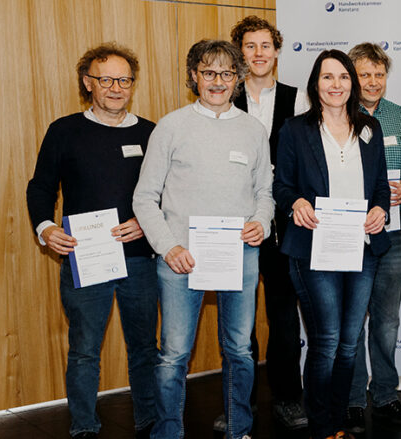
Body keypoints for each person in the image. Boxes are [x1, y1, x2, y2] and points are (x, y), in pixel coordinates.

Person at [132, 39, 273, 439]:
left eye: (227, 73)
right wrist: (168, 246)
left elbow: (265, 191)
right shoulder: (171, 126)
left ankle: (238, 429)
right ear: (194, 75)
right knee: (174, 354)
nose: (217, 81)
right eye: (208, 72)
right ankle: (168, 432)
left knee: (240, 351)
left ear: (239, 79)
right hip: (180, 257)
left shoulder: (253, 130)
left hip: (240, 254)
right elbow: (144, 197)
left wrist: (261, 220)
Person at [26, 43, 158, 439]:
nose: (116, 87)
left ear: (132, 84)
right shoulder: (64, 131)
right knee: (84, 350)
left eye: (124, 79)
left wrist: (147, 224)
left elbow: (168, 191)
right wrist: (45, 229)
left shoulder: (151, 133)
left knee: (144, 347)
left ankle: (149, 419)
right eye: (106, 79)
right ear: (88, 83)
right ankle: (84, 425)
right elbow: (40, 188)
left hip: (138, 258)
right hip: (87, 258)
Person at [273, 49, 391, 439]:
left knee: (348, 344)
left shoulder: (370, 128)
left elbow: (379, 188)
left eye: (343, 77)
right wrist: (297, 202)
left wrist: (380, 210)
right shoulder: (294, 129)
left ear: (352, 84)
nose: (336, 85)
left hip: (362, 246)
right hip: (313, 247)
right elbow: (282, 186)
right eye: (328, 77)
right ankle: (321, 426)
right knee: (325, 341)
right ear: (315, 84)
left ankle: (338, 422)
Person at [218, 15, 311, 432]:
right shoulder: (221, 97)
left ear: (277, 51)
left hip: (283, 225)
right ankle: (240, 403)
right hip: (232, 223)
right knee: (238, 322)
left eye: (265, 45)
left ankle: (289, 399)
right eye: (249, 46)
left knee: (284, 318)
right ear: (240, 53)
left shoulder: (299, 100)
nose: (258, 54)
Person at [344, 42, 401, 433]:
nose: (372, 82)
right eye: (364, 75)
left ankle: (386, 395)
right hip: (349, 233)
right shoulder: (336, 115)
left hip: (392, 233)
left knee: (387, 321)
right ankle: (354, 399)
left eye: (379, 74)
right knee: (352, 321)